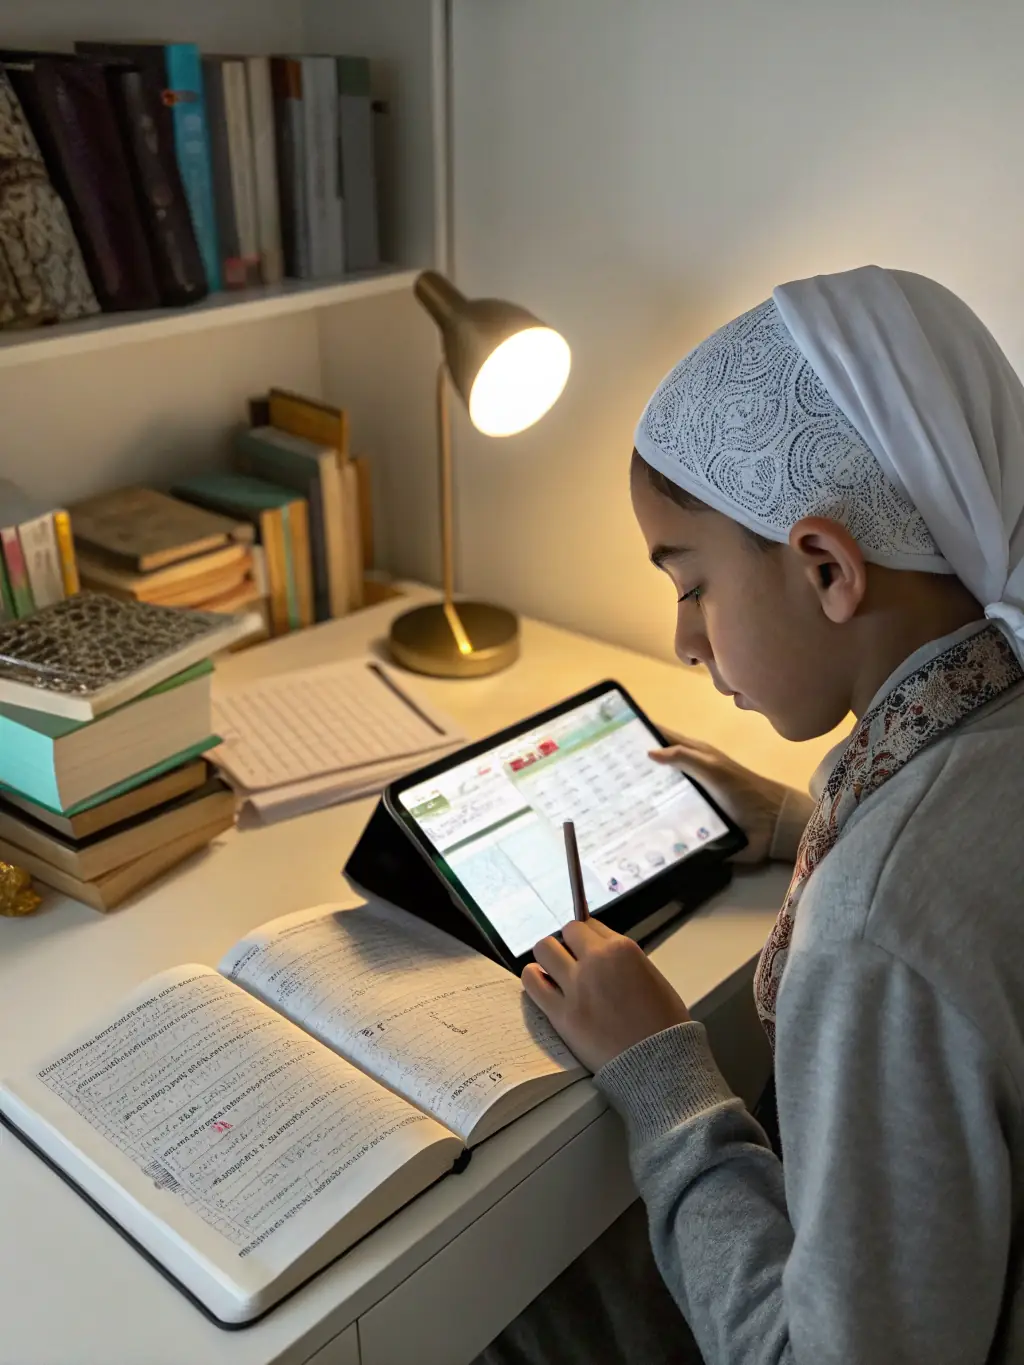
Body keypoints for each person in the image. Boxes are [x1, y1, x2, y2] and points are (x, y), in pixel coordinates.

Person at [478, 265, 1024, 1365]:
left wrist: (660, 1067)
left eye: (688, 584)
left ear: (826, 565)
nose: (684, 639)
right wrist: (803, 819)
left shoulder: (870, 934)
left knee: (499, 1305)